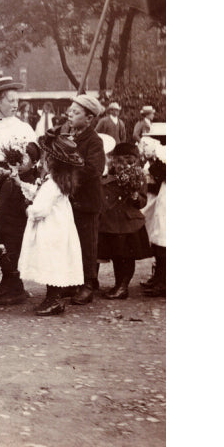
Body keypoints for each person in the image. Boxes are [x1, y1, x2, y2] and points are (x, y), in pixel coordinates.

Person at [18, 132, 85, 316]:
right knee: (54, 261)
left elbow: (40, 209)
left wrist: (29, 211)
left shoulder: (51, 185)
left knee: (50, 262)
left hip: (50, 229)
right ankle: (52, 298)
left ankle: (54, 300)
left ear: (51, 163)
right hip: (59, 228)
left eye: (46, 158)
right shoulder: (57, 182)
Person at [57, 94, 107, 305]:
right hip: (70, 201)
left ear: (89, 119)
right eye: (70, 110)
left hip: (87, 201)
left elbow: (94, 169)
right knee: (71, 242)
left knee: (87, 244)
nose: (70, 114)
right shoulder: (69, 135)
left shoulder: (94, 141)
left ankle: (88, 285)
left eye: (76, 112)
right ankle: (73, 282)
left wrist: (68, 177)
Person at [96, 142, 153, 300]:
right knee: (116, 256)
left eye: (131, 160)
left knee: (127, 257)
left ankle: (123, 287)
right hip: (112, 222)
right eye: (123, 160)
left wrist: (135, 195)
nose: (127, 164)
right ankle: (118, 285)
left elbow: (142, 201)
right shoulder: (108, 173)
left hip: (128, 223)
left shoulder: (138, 175)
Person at [0, 140, 43, 306]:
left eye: (25, 159)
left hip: (17, 225)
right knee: (4, 254)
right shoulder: (11, 175)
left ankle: (17, 289)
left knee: (13, 256)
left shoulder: (31, 181)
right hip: (3, 222)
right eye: (18, 158)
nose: (19, 162)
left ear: (34, 163)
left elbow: (28, 200)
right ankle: (5, 283)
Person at [140, 125, 166, 297]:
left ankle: (163, 281)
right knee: (158, 237)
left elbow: (161, 173)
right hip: (162, 196)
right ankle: (158, 277)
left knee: (164, 238)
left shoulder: (164, 156)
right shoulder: (161, 156)